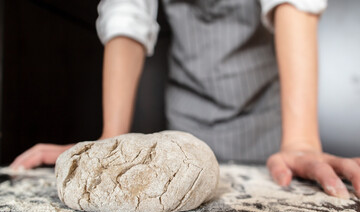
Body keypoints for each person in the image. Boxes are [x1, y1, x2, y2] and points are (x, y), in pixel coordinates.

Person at [10, 0, 360, 199]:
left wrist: (300, 141)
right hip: (187, 122)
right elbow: (127, 14)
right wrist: (111, 140)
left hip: (266, 126)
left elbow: (294, 2)